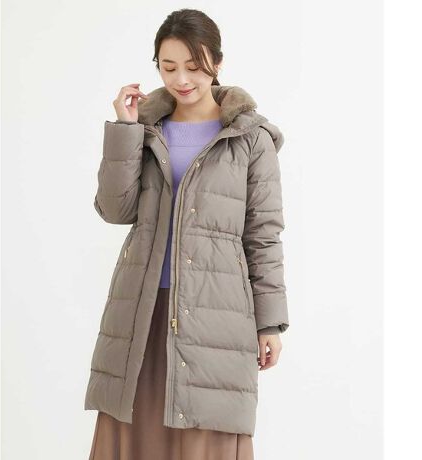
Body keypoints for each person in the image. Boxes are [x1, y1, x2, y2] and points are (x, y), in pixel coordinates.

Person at [85, 8, 289, 460]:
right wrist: (125, 129)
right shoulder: (146, 130)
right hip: (143, 310)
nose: (181, 79)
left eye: (194, 67)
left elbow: (263, 235)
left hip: (216, 313)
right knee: (133, 432)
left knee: (207, 435)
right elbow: (116, 210)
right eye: (169, 66)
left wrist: (269, 322)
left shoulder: (250, 138)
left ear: (217, 62)